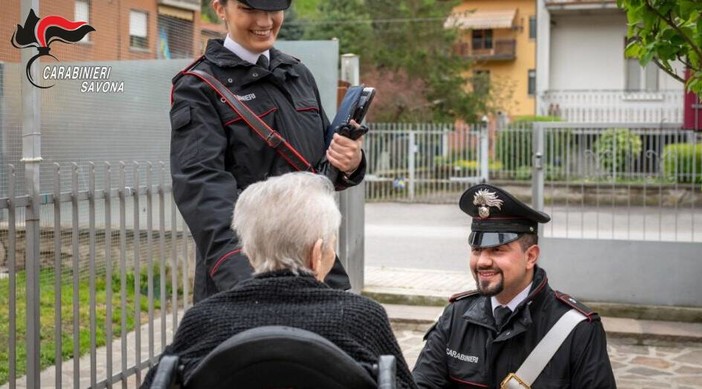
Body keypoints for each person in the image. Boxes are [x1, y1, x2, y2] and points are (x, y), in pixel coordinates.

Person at [141, 172, 416, 388]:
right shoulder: (362, 319)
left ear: (248, 253)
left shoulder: (202, 321)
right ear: (317, 253)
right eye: (332, 244)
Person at [169, 0, 366, 302]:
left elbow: (318, 167)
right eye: (250, 9)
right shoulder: (198, 87)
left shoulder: (297, 73)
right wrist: (247, 284)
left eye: (273, 8)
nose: (264, 21)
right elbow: (202, 190)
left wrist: (350, 161)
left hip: (316, 266)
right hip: (247, 273)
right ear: (220, 9)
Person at [412, 184, 616, 388]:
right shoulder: (456, 317)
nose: (482, 261)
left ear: (531, 256)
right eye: (476, 249)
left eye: (497, 250)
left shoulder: (577, 329)